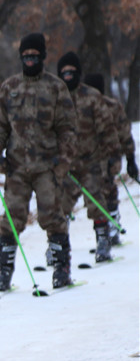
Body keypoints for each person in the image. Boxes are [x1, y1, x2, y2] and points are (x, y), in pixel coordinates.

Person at [0, 33, 77, 290]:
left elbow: (67, 128)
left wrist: (63, 161)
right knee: (11, 220)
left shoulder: (55, 87)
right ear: (20, 57)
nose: (30, 60)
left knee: (52, 216)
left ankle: (61, 268)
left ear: (42, 57)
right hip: (16, 167)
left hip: (47, 167)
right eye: (26, 56)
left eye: (34, 56)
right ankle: (4, 272)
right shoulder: (9, 87)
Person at [56, 53, 114, 262]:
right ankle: (58, 247)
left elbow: (107, 127)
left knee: (96, 202)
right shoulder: (55, 99)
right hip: (66, 164)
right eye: (64, 72)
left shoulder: (91, 96)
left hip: (90, 160)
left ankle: (103, 241)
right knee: (60, 205)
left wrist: (111, 156)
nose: (68, 75)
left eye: (71, 71)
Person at [85, 73, 137, 248]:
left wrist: (130, 157)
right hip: (88, 157)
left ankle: (112, 225)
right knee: (93, 193)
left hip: (109, 155)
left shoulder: (112, 106)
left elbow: (124, 132)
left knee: (107, 188)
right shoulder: (82, 106)